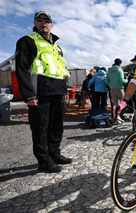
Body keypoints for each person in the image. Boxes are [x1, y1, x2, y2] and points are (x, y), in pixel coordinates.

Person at [15, 11, 72, 173]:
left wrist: (64, 89)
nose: (43, 22)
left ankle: (55, 153)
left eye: (47, 20)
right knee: (40, 128)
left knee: (56, 126)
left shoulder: (56, 46)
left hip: (57, 92)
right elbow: (22, 69)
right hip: (39, 93)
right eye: (39, 20)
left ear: (51, 25)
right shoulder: (27, 41)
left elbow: (61, 69)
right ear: (35, 23)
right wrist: (29, 95)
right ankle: (44, 160)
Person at [105, 58, 128, 123]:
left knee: (114, 104)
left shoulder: (110, 70)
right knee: (123, 103)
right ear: (120, 64)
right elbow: (121, 80)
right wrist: (127, 80)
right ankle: (121, 116)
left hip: (112, 89)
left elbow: (106, 81)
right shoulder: (119, 70)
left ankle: (115, 117)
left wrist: (111, 85)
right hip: (119, 88)